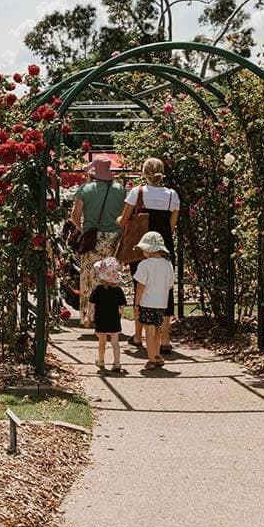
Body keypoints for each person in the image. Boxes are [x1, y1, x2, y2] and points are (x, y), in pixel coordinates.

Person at [119, 157, 180, 351]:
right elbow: (171, 226)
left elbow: (124, 220)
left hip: (141, 248)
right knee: (166, 290)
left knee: (141, 289)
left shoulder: (137, 193)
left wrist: (121, 219)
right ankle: (165, 339)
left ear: (144, 173)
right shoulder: (172, 195)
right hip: (164, 247)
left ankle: (138, 336)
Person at [72, 155, 125, 328]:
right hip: (113, 239)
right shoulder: (120, 189)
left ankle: (89, 317)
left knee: (89, 277)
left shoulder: (85, 189)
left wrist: (82, 230)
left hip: (92, 238)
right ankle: (111, 317)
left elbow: (75, 216)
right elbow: (124, 216)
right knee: (110, 278)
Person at [133, 231, 175, 370]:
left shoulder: (144, 265)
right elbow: (170, 285)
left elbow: (140, 286)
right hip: (161, 303)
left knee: (149, 331)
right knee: (157, 330)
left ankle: (151, 359)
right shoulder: (168, 265)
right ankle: (156, 355)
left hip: (147, 303)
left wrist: (137, 303)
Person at [89, 256, 128, 374]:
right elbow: (122, 306)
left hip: (101, 319)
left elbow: (92, 305)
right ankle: (117, 362)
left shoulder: (98, 289)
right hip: (114, 319)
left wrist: (89, 316)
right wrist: (120, 313)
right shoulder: (118, 291)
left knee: (102, 342)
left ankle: (101, 360)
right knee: (115, 342)